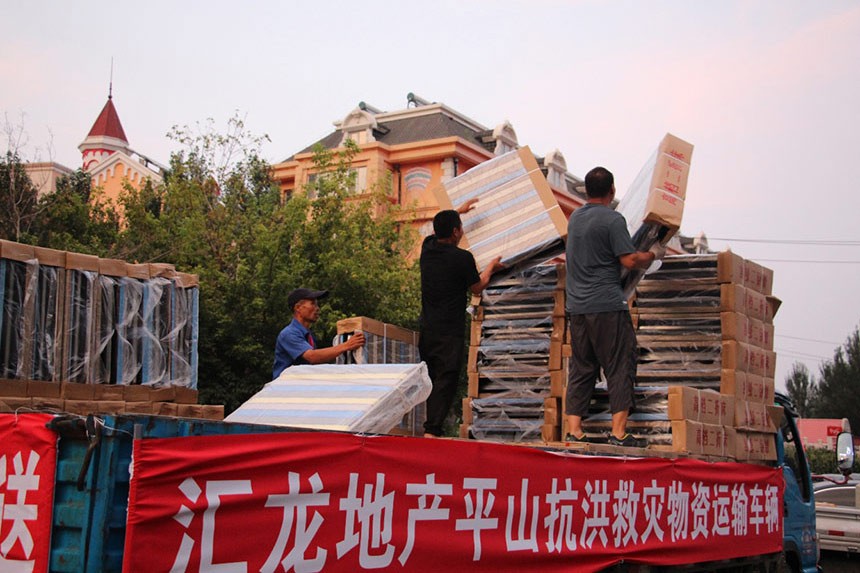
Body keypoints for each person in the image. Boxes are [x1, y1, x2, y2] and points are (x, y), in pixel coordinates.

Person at [564, 167, 663, 448]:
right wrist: (654, 253)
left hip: (578, 308)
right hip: (607, 305)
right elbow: (630, 261)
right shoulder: (612, 220)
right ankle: (619, 434)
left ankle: (575, 431)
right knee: (620, 363)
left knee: (582, 367)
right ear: (613, 191)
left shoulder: (575, 219)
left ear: (586, 190)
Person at [419, 203, 503, 437]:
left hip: (427, 327)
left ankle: (431, 428)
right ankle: (432, 431)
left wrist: (458, 211)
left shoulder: (427, 249)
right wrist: (491, 267)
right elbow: (477, 287)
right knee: (446, 378)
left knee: (433, 376)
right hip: (449, 330)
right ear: (456, 232)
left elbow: (434, 231)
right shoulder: (462, 258)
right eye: (461, 226)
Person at [272, 288, 365, 379]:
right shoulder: (289, 334)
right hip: (285, 389)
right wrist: (347, 345)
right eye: (313, 304)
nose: (317, 309)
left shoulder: (309, 335)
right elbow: (313, 357)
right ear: (298, 308)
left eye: (317, 305)